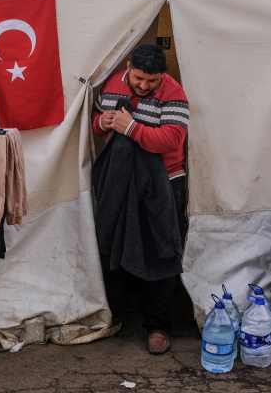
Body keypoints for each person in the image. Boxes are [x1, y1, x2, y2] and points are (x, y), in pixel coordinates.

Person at [91, 43, 189, 355]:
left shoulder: (174, 93)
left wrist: (130, 127)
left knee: (160, 252)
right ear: (129, 67)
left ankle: (158, 326)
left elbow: (173, 139)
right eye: (138, 79)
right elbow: (95, 119)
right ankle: (118, 311)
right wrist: (102, 123)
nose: (144, 86)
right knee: (113, 244)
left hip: (164, 182)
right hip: (119, 180)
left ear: (164, 76)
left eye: (152, 81)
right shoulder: (112, 82)